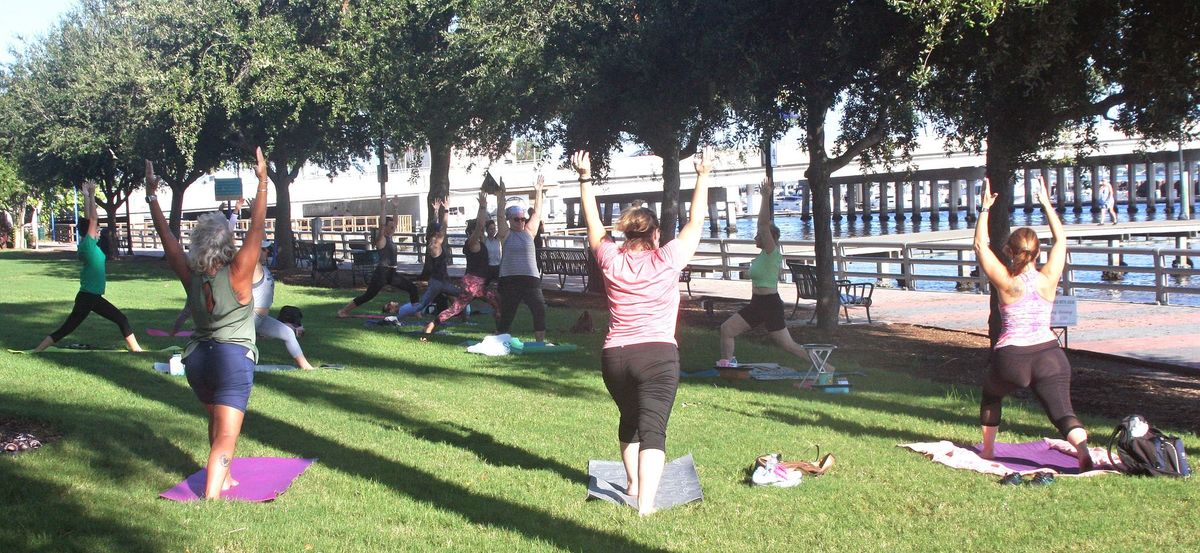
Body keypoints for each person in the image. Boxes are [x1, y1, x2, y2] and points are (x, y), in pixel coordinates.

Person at [573, 147, 712, 516]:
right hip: (657, 356)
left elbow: (593, 224)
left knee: (630, 418)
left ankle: (633, 485)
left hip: (615, 357)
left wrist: (584, 179)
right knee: (653, 429)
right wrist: (702, 176)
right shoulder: (667, 258)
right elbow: (696, 223)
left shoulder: (610, 259)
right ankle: (645, 507)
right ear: (654, 233)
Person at [145, 148, 270, 498]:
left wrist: (153, 195)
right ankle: (212, 496)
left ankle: (224, 478)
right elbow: (257, 229)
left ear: (197, 243)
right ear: (227, 241)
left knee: (215, 421)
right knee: (227, 436)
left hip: (198, 360)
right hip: (231, 359)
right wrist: (262, 183)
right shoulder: (239, 272)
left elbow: (166, 237)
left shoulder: (191, 274)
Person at [973, 175, 1093, 471]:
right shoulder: (1048, 277)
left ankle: (988, 451)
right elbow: (1062, 240)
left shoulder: (1006, 281)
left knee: (991, 395)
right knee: (1062, 413)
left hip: (1012, 357)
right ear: (1037, 252)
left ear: (1010, 252)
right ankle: (1081, 447)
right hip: (1050, 354)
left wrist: (985, 209)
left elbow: (979, 245)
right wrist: (1046, 204)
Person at [32, 181, 143, 353]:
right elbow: (92, 219)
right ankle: (37, 350)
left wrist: (85, 196)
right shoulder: (89, 246)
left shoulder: (90, 244)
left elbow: (88, 220)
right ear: (90, 232)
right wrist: (92, 194)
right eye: (96, 229)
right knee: (67, 328)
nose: (98, 230)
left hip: (92, 296)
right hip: (88, 297)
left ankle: (137, 350)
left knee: (121, 319)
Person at [717, 178, 810, 366]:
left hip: (770, 304)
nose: (755, 237)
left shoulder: (771, 253)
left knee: (788, 346)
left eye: (758, 236)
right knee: (727, 329)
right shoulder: (761, 256)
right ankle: (727, 366)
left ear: (770, 238)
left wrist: (765, 196)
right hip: (757, 303)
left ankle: (824, 367)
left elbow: (763, 224)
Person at [424, 191, 501, 335]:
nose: (482, 231)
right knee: (456, 308)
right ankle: (432, 324)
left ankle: (499, 330)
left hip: (478, 284)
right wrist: (483, 207)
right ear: (472, 232)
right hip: (472, 284)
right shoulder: (472, 243)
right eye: (479, 231)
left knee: (496, 303)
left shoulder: (479, 242)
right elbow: (479, 225)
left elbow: (480, 226)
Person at [337, 196, 420, 317]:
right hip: (382, 273)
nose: (393, 228)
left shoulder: (390, 237)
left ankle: (418, 315)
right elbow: (381, 223)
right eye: (390, 226)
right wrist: (383, 207)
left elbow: (395, 222)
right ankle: (343, 311)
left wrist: (395, 208)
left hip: (392, 273)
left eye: (393, 226)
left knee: (412, 288)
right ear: (385, 228)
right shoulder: (381, 239)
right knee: (368, 296)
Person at [495, 175, 548, 342]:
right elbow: (500, 217)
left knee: (539, 309)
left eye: (523, 219)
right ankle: (501, 340)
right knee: (508, 313)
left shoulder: (529, 232)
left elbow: (537, 213)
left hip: (530, 279)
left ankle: (540, 342)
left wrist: (538, 191)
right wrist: (501, 196)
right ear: (510, 220)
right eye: (517, 219)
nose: (521, 222)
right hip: (510, 279)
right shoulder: (506, 234)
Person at [390, 198, 460, 319]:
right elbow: (444, 226)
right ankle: (400, 313)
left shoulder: (432, 241)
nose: (440, 232)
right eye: (438, 231)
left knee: (460, 297)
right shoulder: (436, 243)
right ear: (436, 233)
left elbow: (435, 225)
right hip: (437, 283)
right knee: (422, 304)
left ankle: (463, 319)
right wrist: (447, 209)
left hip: (441, 280)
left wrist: (436, 211)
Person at [251, 239, 316, 370]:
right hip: (249, 318)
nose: (267, 251)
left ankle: (306, 367)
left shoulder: (262, 267)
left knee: (288, 333)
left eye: (267, 249)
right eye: (263, 249)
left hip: (261, 318)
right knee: (245, 347)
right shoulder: (251, 267)